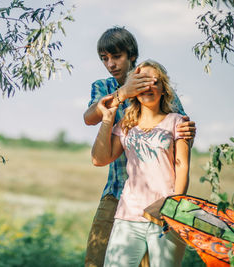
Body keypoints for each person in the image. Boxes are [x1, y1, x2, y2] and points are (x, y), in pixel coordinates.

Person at [83, 26, 196, 267]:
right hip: (116, 192)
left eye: (117, 56)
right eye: (105, 59)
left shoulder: (156, 84)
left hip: (159, 197)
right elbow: (90, 117)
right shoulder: (104, 87)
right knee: (96, 259)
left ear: (131, 55)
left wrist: (188, 133)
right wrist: (123, 93)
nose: (111, 64)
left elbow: (181, 133)